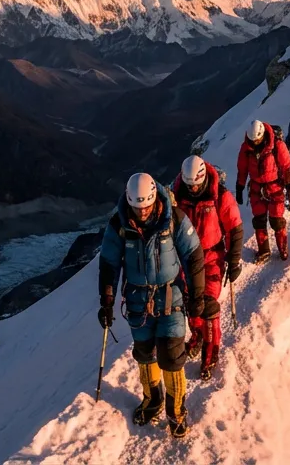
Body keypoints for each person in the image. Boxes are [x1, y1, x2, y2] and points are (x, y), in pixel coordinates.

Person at [98, 173, 208, 438]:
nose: (143, 212)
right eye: (138, 207)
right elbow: (109, 264)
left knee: (171, 357)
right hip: (138, 302)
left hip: (171, 298)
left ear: (155, 199)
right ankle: (153, 399)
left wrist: (197, 296)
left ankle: (176, 410)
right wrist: (107, 301)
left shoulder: (174, 219)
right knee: (145, 354)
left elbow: (193, 257)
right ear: (129, 201)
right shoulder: (120, 225)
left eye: (146, 206)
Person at [171, 155, 243, 381]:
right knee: (190, 302)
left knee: (208, 305)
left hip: (212, 256)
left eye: (195, 185)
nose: (192, 189)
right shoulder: (177, 198)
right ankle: (198, 335)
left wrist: (234, 260)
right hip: (185, 258)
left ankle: (210, 354)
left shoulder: (219, 196)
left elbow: (234, 229)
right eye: (189, 185)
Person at [236, 120, 290, 262]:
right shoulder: (246, 149)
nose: (255, 142)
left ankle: (283, 248)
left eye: (257, 139)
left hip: (275, 188)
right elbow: (242, 169)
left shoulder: (276, 145)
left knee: (276, 220)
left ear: (262, 135)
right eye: (252, 140)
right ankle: (264, 250)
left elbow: (287, 166)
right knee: (259, 221)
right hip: (256, 189)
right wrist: (240, 186)